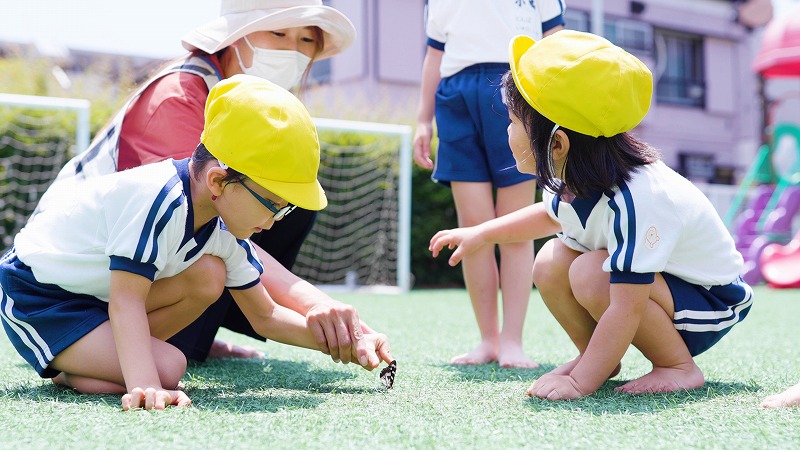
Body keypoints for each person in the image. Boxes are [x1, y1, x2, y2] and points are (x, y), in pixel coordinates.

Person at [0, 75, 393, 411]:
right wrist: (147, 384)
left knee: (209, 275)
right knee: (169, 367)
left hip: (93, 296)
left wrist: (349, 342)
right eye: (271, 205)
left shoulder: (222, 229)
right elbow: (127, 300)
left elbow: (266, 315)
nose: (273, 221)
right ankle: (78, 367)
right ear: (219, 181)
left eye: (283, 209)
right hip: (40, 296)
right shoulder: (159, 200)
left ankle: (87, 364)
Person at [37, 0, 376, 364]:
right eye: (278, 32)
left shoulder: (248, 109)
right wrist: (316, 304)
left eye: (307, 40)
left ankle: (192, 334)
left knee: (288, 203)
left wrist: (325, 321)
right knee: (220, 223)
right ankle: (142, 340)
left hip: (130, 260)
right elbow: (205, 214)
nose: (293, 50)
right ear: (235, 37)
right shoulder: (179, 96)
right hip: (72, 277)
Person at [429, 30, 754, 399]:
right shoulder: (579, 177)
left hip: (710, 302)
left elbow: (627, 306)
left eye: (514, 122)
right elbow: (551, 216)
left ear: (558, 143)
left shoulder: (638, 198)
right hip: (667, 290)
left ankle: (678, 366)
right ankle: (596, 356)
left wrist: (580, 382)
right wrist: (482, 233)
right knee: (551, 259)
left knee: (590, 272)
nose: (507, 130)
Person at [413, 0, 565, 368]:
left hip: (517, 89)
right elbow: (434, 54)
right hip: (455, 95)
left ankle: (512, 341)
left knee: (514, 227)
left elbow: (556, 43)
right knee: (473, 228)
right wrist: (423, 120)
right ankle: (488, 340)